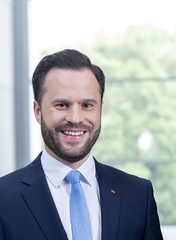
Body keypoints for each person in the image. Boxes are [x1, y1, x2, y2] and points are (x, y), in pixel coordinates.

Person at [0, 49, 163, 240]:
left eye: (87, 105)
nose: (75, 118)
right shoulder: (4, 198)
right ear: (38, 111)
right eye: (62, 105)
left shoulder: (137, 194)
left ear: (100, 109)